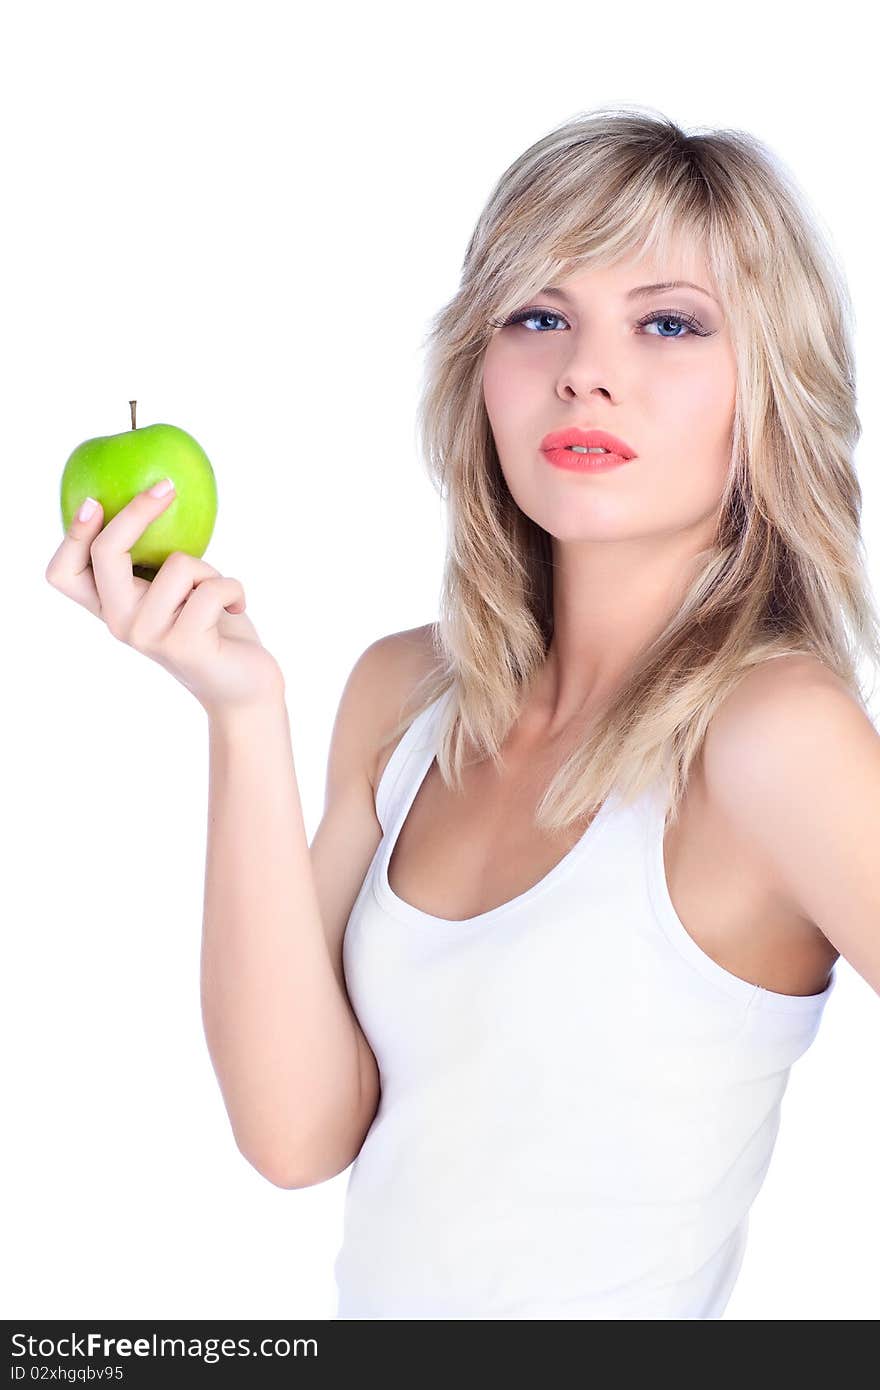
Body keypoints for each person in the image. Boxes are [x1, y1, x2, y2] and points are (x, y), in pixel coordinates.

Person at [45, 104, 880, 1321]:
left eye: (668, 323)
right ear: (477, 372)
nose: (585, 370)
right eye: (539, 316)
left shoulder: (770, 737)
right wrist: (241, 712)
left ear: (770, 389)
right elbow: (293, 1133)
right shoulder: (404, 697)